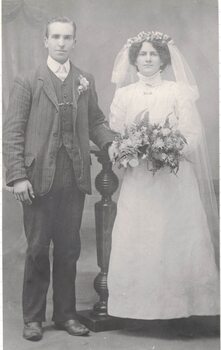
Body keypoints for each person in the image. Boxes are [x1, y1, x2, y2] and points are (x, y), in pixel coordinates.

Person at [3, 16, 116, 341]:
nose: (62, 43)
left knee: (69, 249)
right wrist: (17, 177)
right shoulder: (28, 80)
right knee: (38, 249)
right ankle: (33, 318)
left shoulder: (85, 79)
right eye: (56, 37)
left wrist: (111, 142)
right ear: (46, 41)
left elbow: (95, 119)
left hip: (74, 177)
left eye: (67, 37)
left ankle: (66, 314)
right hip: (37, 179)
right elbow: (11, 132)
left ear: (74, 41)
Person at [107, 31, 219, 325]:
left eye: (153, 54)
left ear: (163, 59)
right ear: (134, 59)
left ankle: (178, 310)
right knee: (140, 237)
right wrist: (128, 149)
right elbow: (115, 134)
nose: (147, 59)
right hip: (139, 181)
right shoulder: (124, 94)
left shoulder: (178, 91)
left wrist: (167, 148)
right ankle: (136, 312)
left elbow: (192, 132)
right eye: (142, 54)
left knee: (173, 237)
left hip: (173, 179)